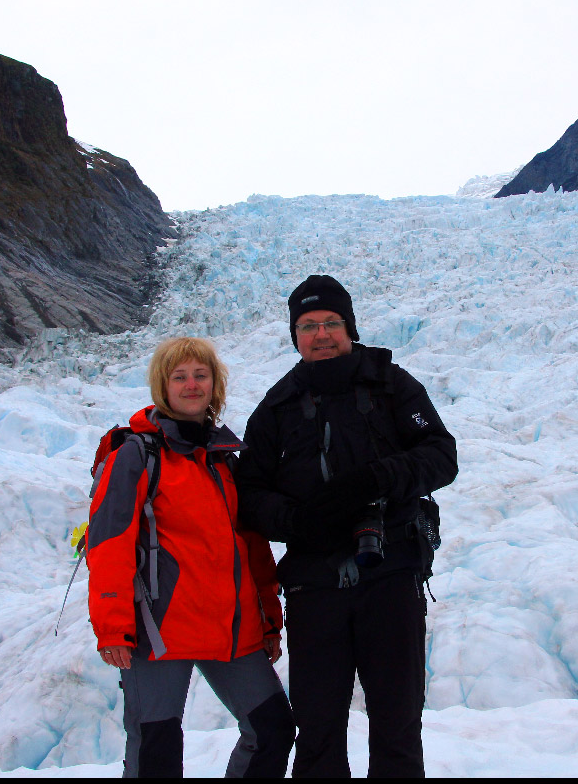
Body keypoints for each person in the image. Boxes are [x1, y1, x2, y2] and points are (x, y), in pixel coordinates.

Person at [235, 274, 458, 777]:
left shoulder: (392, 384)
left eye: (331, 323)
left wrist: (379, 478)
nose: (321, 334)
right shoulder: (276, 407)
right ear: (295, 336)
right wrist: (299, 521)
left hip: (392, 572)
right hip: (315, 587)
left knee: (398, 727)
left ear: (350, 328)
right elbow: (248, 494)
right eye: (308, 325)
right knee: (317, 732)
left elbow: (441, 456)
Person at [86, 337, 295, 778]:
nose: (191, 384)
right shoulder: (136, 455)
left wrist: (267, 620)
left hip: (231, 629)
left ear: (214, 384)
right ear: (163, 386)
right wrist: (112, 626)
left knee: (273, 728)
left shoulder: (224, 459)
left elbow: (251, 548)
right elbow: (110, 543)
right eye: (179, 376)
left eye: (201, 375)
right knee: (156, 753)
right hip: (159, 631)